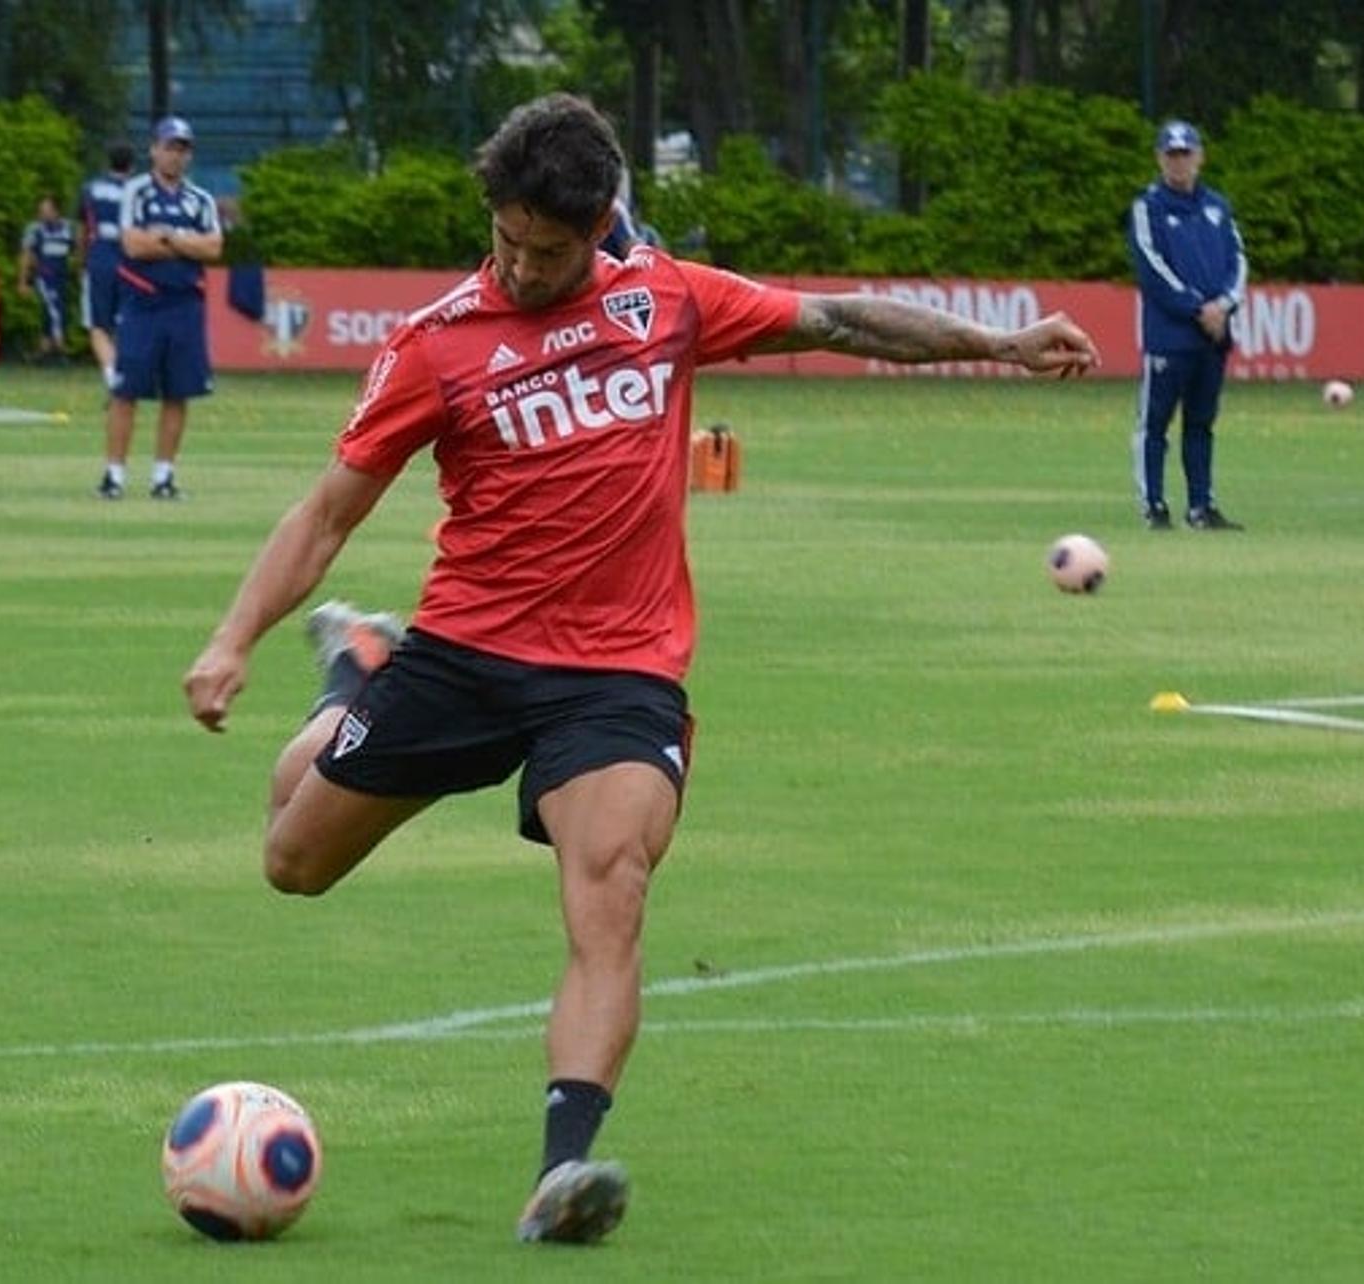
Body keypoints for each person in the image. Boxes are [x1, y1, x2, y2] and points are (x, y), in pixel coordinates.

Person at [181, 92, 1098, 1246]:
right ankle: (357, 674)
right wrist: (231, 638)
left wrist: (999, 344)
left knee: (609, 888)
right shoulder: (437, 343)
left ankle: (564, 1171)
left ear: (601, 222)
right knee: (292, 861)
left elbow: (841, 320)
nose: (518, 265)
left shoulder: (665, 300)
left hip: (616, 676)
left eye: (547, 250)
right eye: (505, 239)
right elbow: (325, 516)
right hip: (462, 653)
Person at [1125, 118, 1248, 531]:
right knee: (1154, 423)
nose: (1179, 163)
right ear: (1160, 158)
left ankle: (1201, 506)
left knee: (1201, 423)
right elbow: (1152, 267)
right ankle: (1154, 505)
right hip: (1170, 335)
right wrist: (1199, 309)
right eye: (1171, 155)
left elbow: (1238, 261)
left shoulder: (1217, 206)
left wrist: (1225, 305)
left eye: (1186, 154)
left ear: (1199, 157)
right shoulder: (1149, 206)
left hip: (1212, 337)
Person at [97, 116, 223, 501]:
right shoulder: (136, 192)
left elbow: (214, 249)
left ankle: (163, 476)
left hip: (185, 304)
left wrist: (167, 237)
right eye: (169, 147)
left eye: (182, 149)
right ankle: (114, 475)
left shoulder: (200, 200)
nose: (175, 156)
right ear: (154, 149)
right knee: (126, 390)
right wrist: (185, 241)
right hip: (142, 303)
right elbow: (134, 245)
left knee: (178, 391)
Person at [78, 141, 138, 394]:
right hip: (131, 261)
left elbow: (84, 228)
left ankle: (113, 376)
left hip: (100, 258)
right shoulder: (139, 191)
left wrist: (81, 259)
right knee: (129, 322)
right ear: (132, 166)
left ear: (108, 162)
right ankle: (130, 373)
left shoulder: (91, 189)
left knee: (99, 326)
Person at [17, 195, 76, 363]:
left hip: (62, 278)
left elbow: (76, 250)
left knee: (53, 311)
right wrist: (23, 280)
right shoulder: (35, 229)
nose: (44, 214)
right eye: (41, 211)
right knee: (55, 310)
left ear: (57, 211)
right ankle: (60, 349)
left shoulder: (68, 228)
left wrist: (77, 267)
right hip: (44, 277)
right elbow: (26, 254)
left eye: (48, 211)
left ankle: (43, 349)